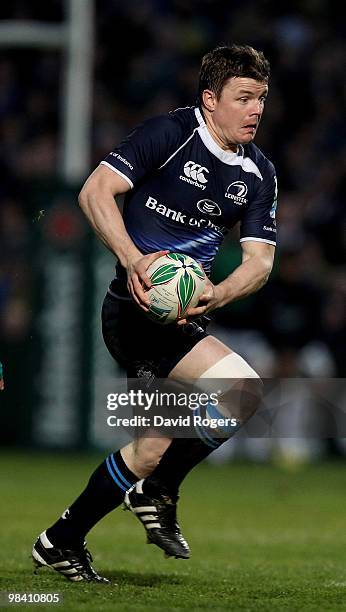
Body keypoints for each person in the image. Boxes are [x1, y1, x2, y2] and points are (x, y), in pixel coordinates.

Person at [32, 44, 277, 583]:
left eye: (260, 97)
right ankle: (115, 511)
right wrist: (134, 260)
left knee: (233, 400)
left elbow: (259, 262)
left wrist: (216, 293)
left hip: (184, 315)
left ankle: (74, 532)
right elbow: (96, 190)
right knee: (161, 441)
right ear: (210, 100)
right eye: (243, 98)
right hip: (134, 311)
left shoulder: (258, 173)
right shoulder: (168, 135)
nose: (255, 109)